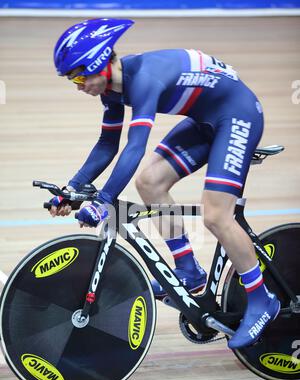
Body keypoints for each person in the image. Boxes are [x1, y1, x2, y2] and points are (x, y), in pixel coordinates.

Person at [50, 17, 280, 349]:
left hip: (238, 115)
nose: (76, 85)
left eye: (77, 76)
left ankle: (261, 300)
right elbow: (106, 146)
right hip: (206, 119)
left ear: (99, 63)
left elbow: (134, 146)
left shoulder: (144, 80)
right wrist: (71, 189)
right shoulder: (113, 92)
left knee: (216, 215)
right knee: (150, 181)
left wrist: (103, 203)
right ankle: (189, 271)